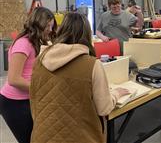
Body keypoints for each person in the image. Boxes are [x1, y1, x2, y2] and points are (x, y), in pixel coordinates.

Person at [29, 12, 129, 143]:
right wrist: (116, 93)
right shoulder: (92, 65)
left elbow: (34, 100)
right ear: (87, 34)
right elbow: (104, 108)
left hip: (41, 136)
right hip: (81, 137)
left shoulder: (40, 59)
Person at [0, 7, 56, 143]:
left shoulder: (35, 42)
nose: (50, 29)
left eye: (52, 26)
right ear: (38, 24)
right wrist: (41, 88)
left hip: (28, 99)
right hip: (14, 103)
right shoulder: (23, 43)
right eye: (48, 26)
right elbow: (14, 79)